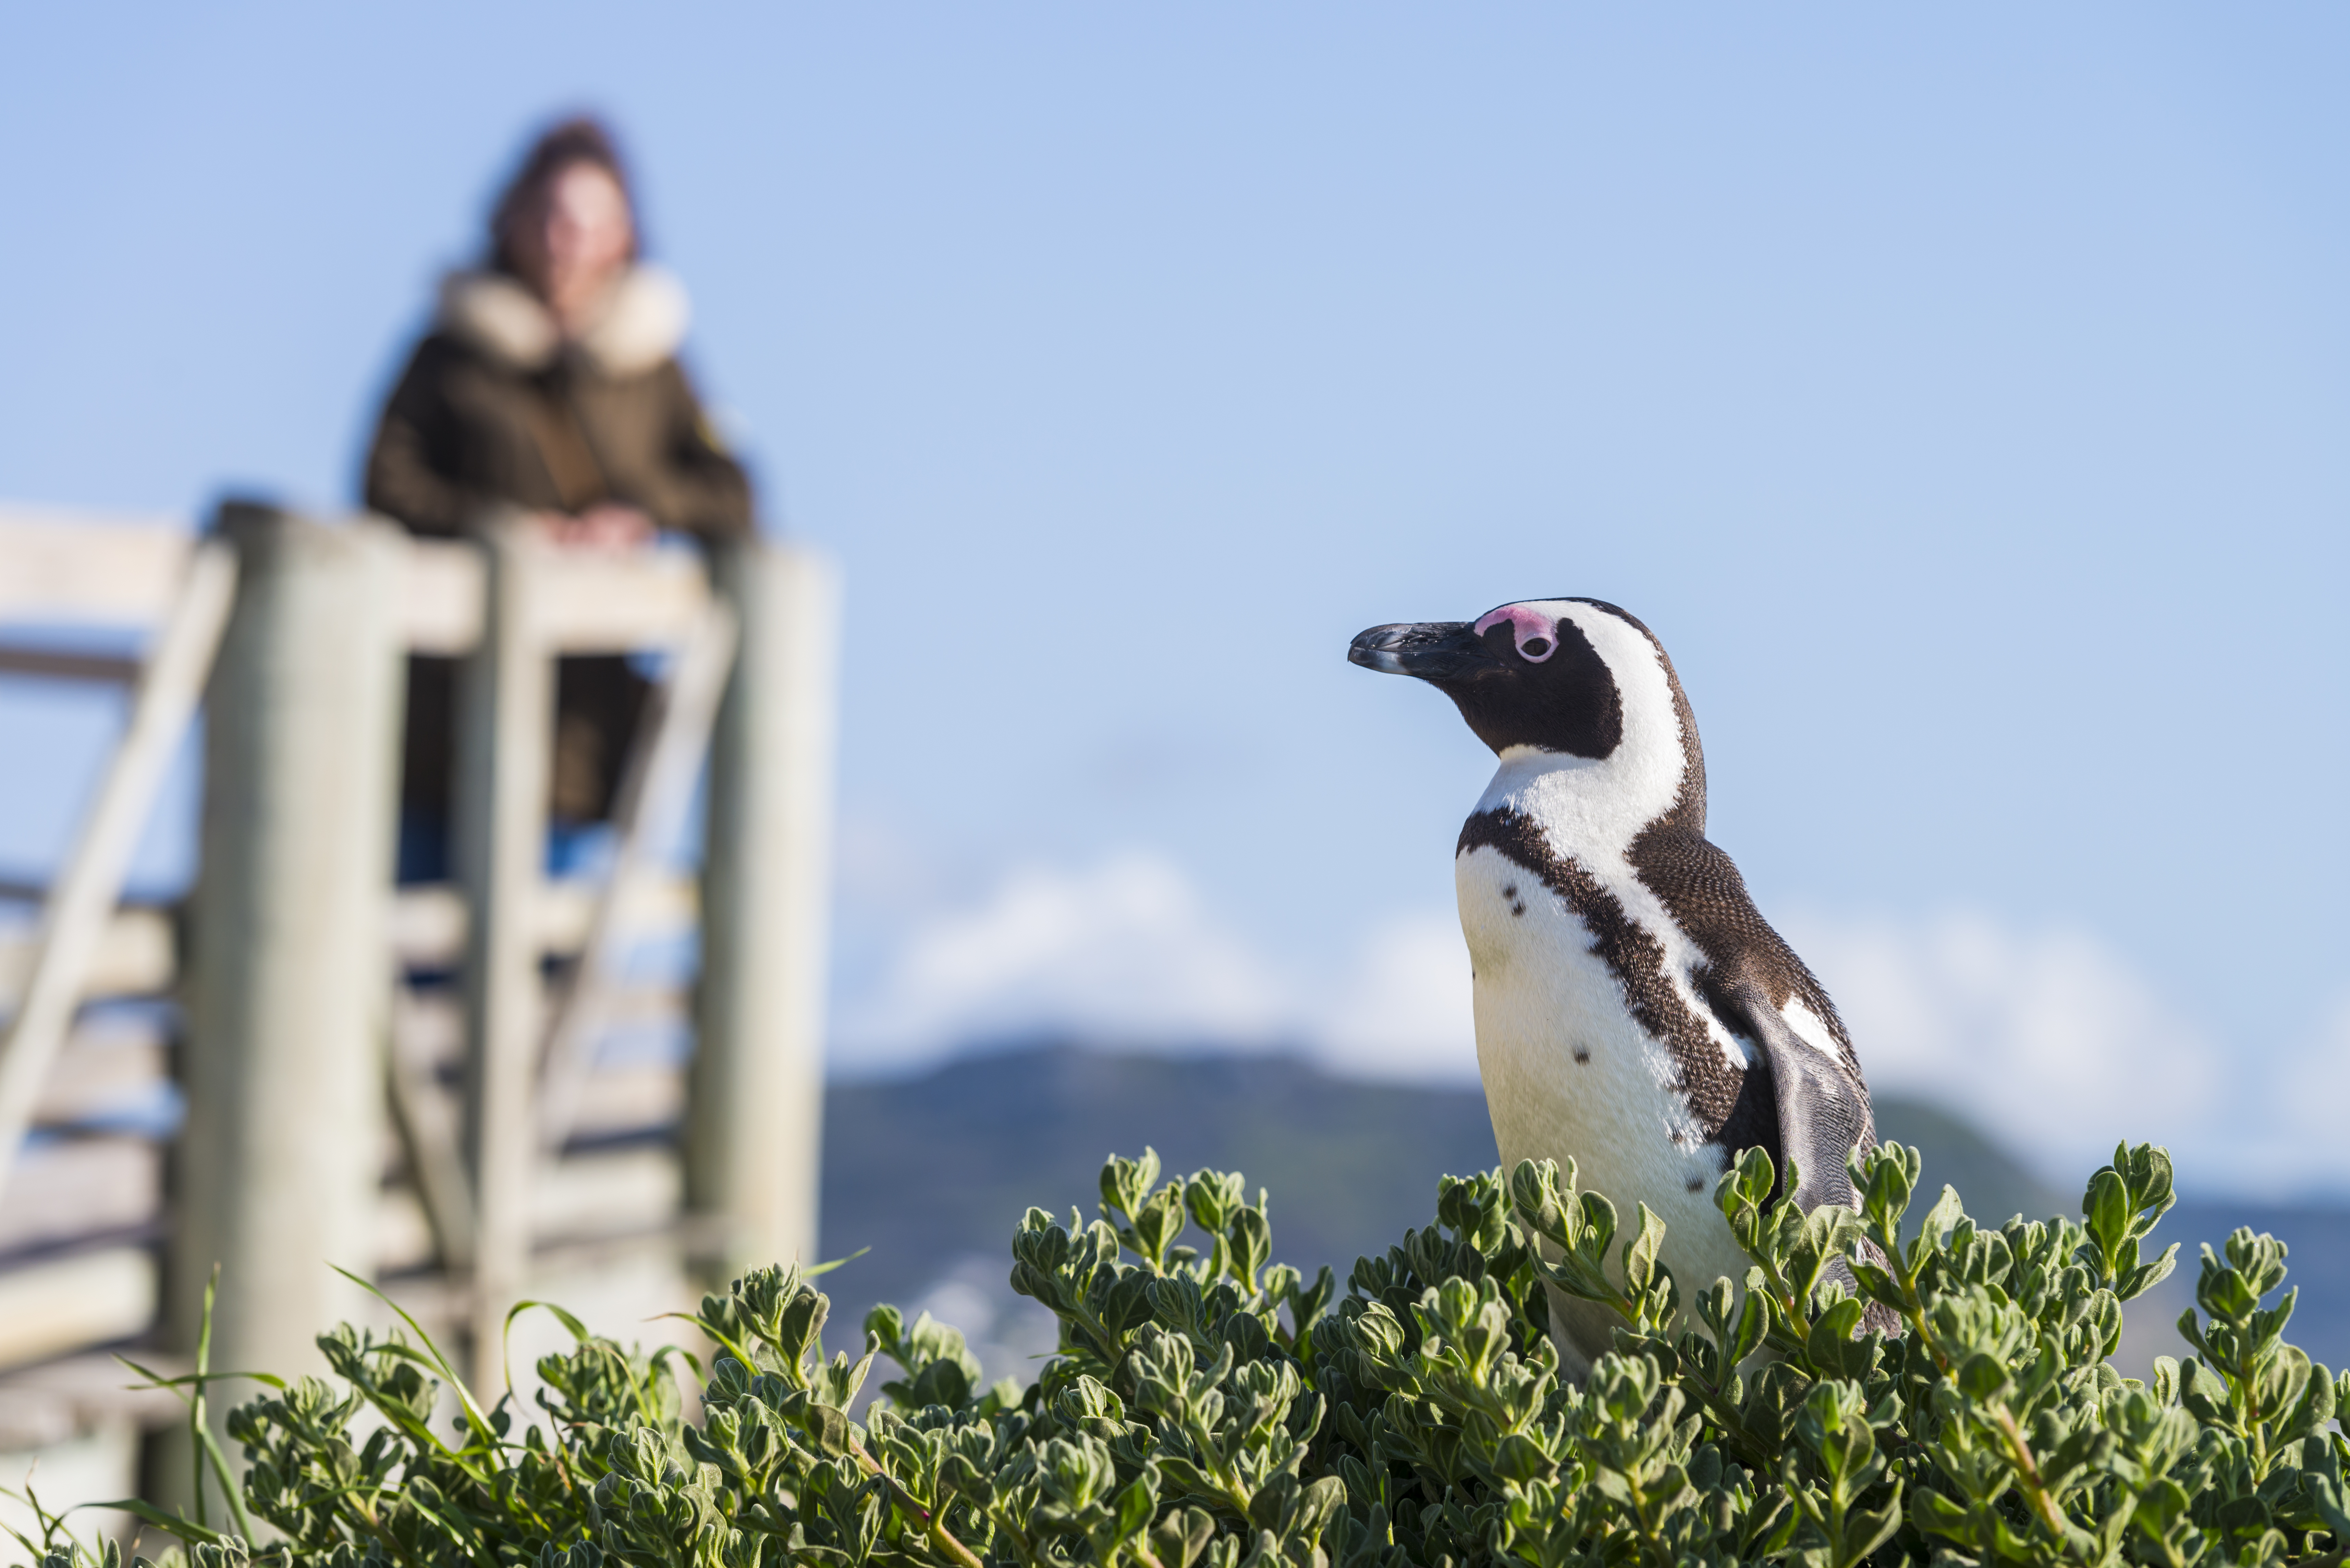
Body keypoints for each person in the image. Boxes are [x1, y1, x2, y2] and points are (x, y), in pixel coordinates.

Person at [364, 118, 751, 881]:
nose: (565, 240)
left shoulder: (654, 365)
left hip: (581, 742)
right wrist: (504, 534)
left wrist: (639, 516)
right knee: (419, 963)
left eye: (589, 222)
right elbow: (386, 484)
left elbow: (731, 495)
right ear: (511, 218)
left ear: (623, 235)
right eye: (551, 215)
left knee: (555, 977)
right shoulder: (449, 354)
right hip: (441, 731)